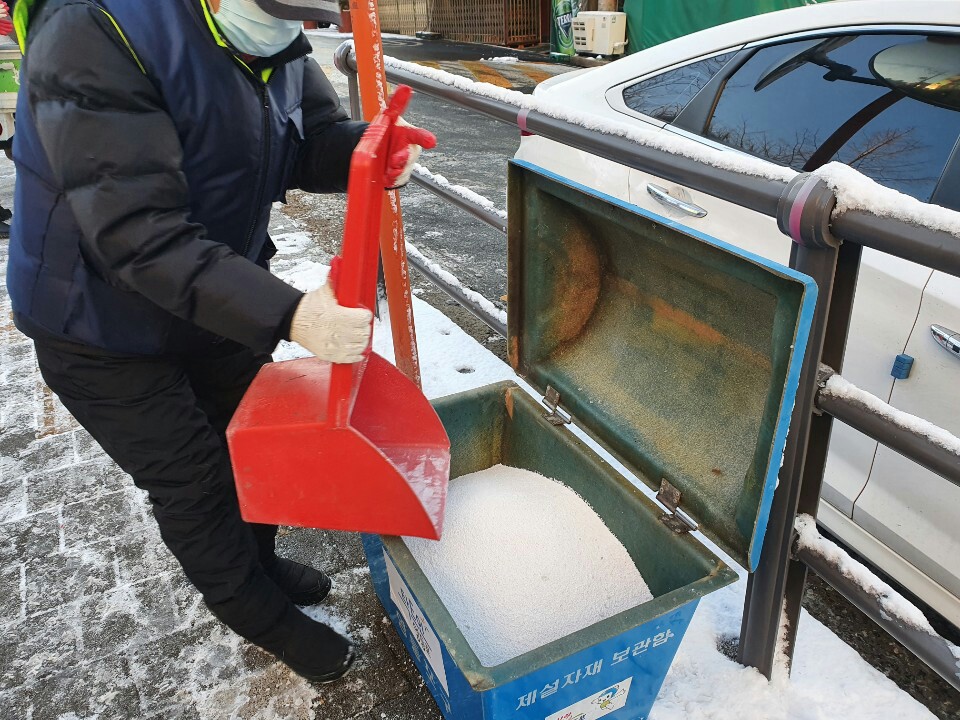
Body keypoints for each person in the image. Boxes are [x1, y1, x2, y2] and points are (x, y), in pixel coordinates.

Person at [7, 0, 435, 682]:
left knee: (249, 448)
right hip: (95, 319)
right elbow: (137, 233)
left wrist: (365, 152)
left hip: (211, 294)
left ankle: (258, 566)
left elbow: (305, 138)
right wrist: (292, 315)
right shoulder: (98, 27)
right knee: (195, 479)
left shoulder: (272, 33)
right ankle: (263, 617)